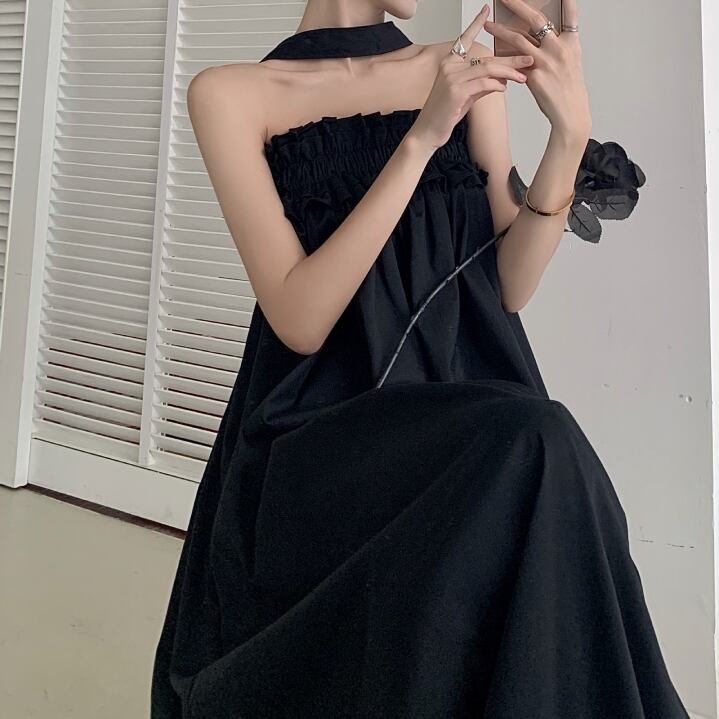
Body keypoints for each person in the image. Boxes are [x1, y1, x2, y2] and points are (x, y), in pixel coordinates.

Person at [150, 1, 691, 717]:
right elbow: (300, 320)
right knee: (538, 444)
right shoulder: (230, 95)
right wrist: (420, 139)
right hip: (327, 431)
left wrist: (569, 133)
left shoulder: (461, 68)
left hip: (467, 401)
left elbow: (508, 284)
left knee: (541, 457)